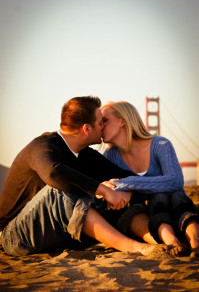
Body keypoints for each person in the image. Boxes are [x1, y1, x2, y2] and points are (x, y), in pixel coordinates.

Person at [0, 96, 161, 257]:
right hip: (16, 237)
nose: (103, 127)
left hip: (56, 237)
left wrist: (124, 190)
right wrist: (104, 190)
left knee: (111, 195)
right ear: (86, 129)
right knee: (61, 192)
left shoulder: (85, 155)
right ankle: (133, 247)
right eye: (100, 123)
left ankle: (162, 243)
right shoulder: (43, 147)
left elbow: (127, 176)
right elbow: (54, 173)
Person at [101, 100, 199, 257]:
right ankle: (171, 243)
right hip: (151, 223)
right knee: (132, 213)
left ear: (122, 121)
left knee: (173, 195)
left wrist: (127, 183)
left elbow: (175, 181)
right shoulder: (109, 157)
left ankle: (196, 242)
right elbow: (110, 189)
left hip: (179, 212)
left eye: (104, 120)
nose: (100, 126)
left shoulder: (160, 144)